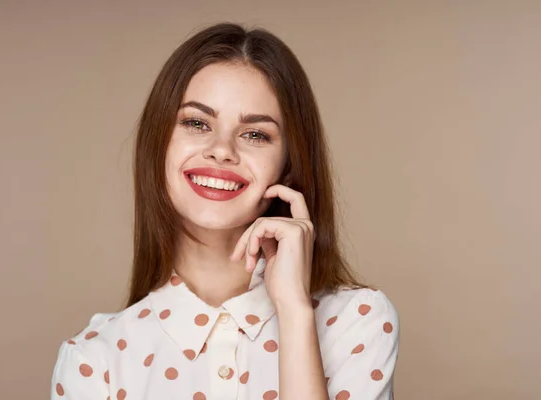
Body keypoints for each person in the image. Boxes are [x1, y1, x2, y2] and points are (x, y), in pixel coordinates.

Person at [50, 22, 399, 400]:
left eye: (255, 134)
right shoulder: (93, 360)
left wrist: (296, 314)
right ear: (158, 146)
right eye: (197, 123)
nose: (222, 150)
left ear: (287, 166)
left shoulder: (357, 321)